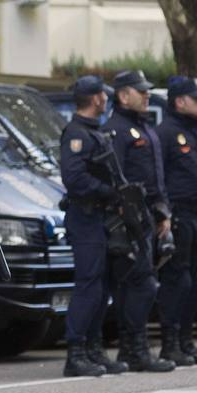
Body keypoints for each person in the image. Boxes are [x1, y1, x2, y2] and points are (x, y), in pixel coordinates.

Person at [102, 70, 175, 372]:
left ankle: (132, 349)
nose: (146, 95)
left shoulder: (143, 128)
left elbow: (155, 180)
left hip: (147, 216)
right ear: (123, 95)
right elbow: (116, 178)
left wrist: (163, 212)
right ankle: (134, 348)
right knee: (140, 284)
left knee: (141, 283)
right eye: (139, 91)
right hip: (128, 219)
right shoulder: (117, 130)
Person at [154, 76, 197, 365]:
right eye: (196, 99)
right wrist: (165, 212)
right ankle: (170, 343)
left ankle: (186, 341)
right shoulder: (167, 133)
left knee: (193, 280)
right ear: (179, 101)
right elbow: (159, 178)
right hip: (178, 215)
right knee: (176, 280)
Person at [57, 76, 119, 377]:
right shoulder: (76, 134)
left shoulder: (95, 132)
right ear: (96, 99)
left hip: (100, 218)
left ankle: (94, 349)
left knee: (101, 286)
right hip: (86, 218)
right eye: (103, 96)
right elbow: (75, 179)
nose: (106, 100)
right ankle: (76, 352)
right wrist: (108, 192)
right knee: (89, 285)